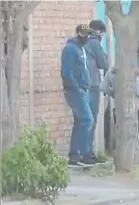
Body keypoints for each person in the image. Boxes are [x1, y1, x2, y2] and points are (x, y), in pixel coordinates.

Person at [61, 24, 95, 167]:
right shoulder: (70, 49)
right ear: (78, 33)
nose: (86, 36)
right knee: (87, 120)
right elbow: (66, 72)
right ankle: (81, 153)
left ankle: (77, 155)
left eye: (88, 34)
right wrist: (75, 87)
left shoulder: (82, 49)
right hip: (76, 90)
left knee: (80, 122)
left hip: (84, 89)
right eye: (84, 34)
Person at [85, 20, 109, 164]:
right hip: (92, 85)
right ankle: (88, 153)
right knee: (91, 120)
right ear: (100, 32)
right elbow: (104, 64)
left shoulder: (84, 41)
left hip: (83, 85)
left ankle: (85, 152)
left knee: (84, 120)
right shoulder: (95, 43)